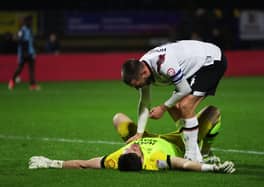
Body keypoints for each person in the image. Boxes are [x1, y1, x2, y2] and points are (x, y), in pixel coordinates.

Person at [28, 105, 235, 173]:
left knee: (118, 118)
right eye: (134, 150)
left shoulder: (116, 159)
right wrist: (211, 167)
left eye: (128, 149)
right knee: (213, 112)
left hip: (147, 135)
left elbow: (83, 164)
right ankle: (206, 149)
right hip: (177, 141)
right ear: (142, 160)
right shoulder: (158, 161)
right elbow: (185, 163)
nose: (131, 147)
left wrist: (52, 163)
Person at [121, 40, 227, 162]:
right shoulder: (141, 69)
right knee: (174, 106)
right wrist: (139, 133)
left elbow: (184, 89)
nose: (137, 88)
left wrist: (162, 108)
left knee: (185, 106)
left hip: (211, 61)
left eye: (137, 85)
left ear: (144, 73)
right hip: (193, 66)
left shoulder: (164, 64)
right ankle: (196, 149)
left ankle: (193, 155)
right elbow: (145, 102)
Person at [8, 15, 40, 91]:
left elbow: (31, 42)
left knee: (32, 69)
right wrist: (24, 52)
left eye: (31, 22)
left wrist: (34, 51)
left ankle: (32, 85)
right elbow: (19, 41)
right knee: (20, 68)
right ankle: (12, 80)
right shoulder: (22, 31)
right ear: (26, 22)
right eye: (29, 21)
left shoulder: (30, 30)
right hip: (23, 53)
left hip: (31, 52)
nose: (31, 23)